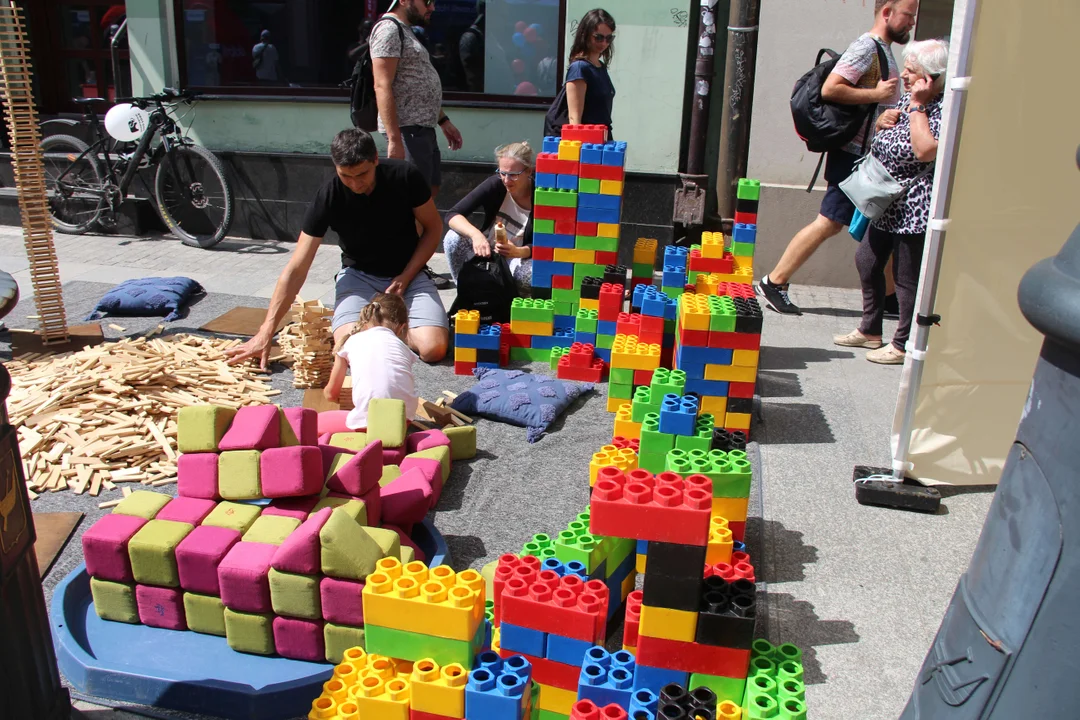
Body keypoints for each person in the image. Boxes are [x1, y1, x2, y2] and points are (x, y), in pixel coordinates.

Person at [226, 128, 449, 368]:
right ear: (335, 167)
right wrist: (265, 332)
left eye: (362, 174)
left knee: (433, 349)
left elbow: (433, 228)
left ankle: (379, 329)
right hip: (358, 277)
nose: (355, 184)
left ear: (375, 159)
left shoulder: (405, 176)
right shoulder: (328, 195)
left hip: (410, 274)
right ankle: (383, 329)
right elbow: (297, 268)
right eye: (345, 176)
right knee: (346, 348)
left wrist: (406, 276)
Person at [757, 0, 917, 315]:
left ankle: (887, 297)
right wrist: (876, 96)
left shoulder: (881, 50)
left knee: (880, 225)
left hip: (866, 156)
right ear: (887, 13)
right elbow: (832, 89)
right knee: (830, 222)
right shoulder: (866, 48)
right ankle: (774, 281)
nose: (912, 22)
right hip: (853, 157)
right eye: (908, 15)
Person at [833, 39, 947, 364]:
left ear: (933, 77)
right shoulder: (912, 99)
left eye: (912, 71)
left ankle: (903, 344)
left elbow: (925, 149)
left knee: (905, 279)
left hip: (914, 205)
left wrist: (918, 107)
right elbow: (891, 141)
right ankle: (870, 330)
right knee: (867, 261)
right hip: (886, 201)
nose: (906, 77)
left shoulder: (939, 108)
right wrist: (883, 125)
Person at [370, 0, 463, 194]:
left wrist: (443, 120)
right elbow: (381, 85)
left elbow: (415, 83)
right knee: (414, 196)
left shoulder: (406, 30)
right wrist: (395, 140)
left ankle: (422, 226)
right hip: (407, 129)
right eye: (427, 2)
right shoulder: (388, 29)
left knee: (429, 190)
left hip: (421, 128)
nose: (432, 8)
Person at [443, 142, 535, 293]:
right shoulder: (495, 184)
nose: (506, 180)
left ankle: (515, 302)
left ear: (528, 172)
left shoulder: (540, 196)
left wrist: (519, 251)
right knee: (453, 238)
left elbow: (549, 244)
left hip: (517, 257)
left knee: (531, 274)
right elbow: (453, 214)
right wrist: (476, 235)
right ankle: (466, 293)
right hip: (486, 251)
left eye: (513, 175)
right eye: (502, 172)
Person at [322, 293, 418, 431]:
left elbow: (330, 394)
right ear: (401, 327)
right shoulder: (404, 348)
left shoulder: (349, 342)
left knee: (319, 422)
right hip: (403, 421)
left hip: (366, 424)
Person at [565, 9, 617, 137]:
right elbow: (574, 118)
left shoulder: (600, 67)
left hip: (602, 137)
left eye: (609, 38)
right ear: (585, 34)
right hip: (587, 141)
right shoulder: (579, 68)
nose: (604, 43)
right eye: (598, 37)